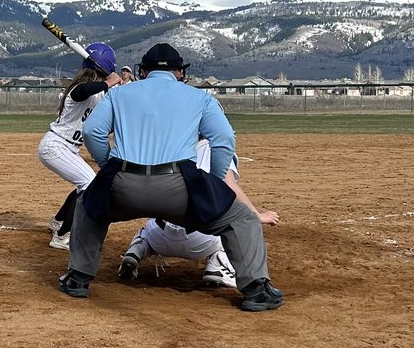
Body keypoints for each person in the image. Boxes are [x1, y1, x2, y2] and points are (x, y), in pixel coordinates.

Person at [62, 42, 283, 312]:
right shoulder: (200, 97)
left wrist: (108, 166)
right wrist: (214, 183)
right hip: (178, 187)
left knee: (88, 205)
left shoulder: (119, 95)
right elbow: (224, 139)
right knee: (241, 218)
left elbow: (93, 131)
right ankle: (256, 290)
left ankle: (78, 279)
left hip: (122, 183)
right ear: (180, 72)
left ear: (143, 71)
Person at [118, 139, 279, 288]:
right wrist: (258, 215)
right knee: (233, 225)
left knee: (149, 227)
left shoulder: (166, 143)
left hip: (159, 236)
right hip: (201, 240)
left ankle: (138, 249)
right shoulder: (217, 146)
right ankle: (218, 266)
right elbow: (230, 186)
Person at [38, 43, 120, 250]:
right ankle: (62, 236)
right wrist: (108, 83)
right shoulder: (78, 88)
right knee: (89, 183)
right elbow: (84, 90)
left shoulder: (101, 93)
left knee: (83, 183)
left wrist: (120, 86)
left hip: (67, 148)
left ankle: (58, 222)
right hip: (56, 146)